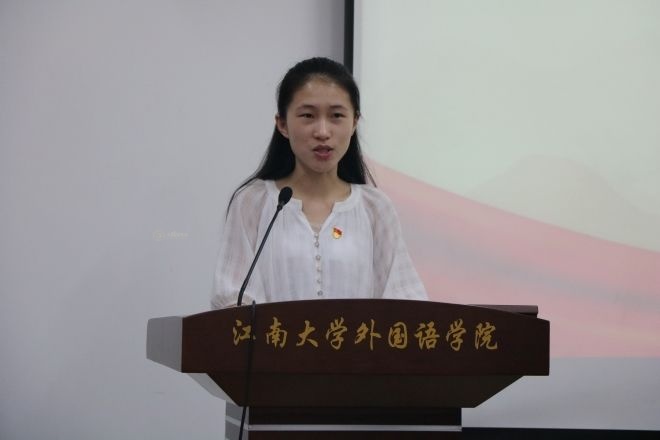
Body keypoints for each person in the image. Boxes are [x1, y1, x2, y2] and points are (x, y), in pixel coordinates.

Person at [211, 57, 427, 309]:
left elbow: (405, 300)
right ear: (282, 124)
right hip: (275, 338)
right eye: (308, 115)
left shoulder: (375, 208)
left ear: (354, 122)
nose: (323, 132)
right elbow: (232, 297)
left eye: (336, 116)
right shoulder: (253, 202)